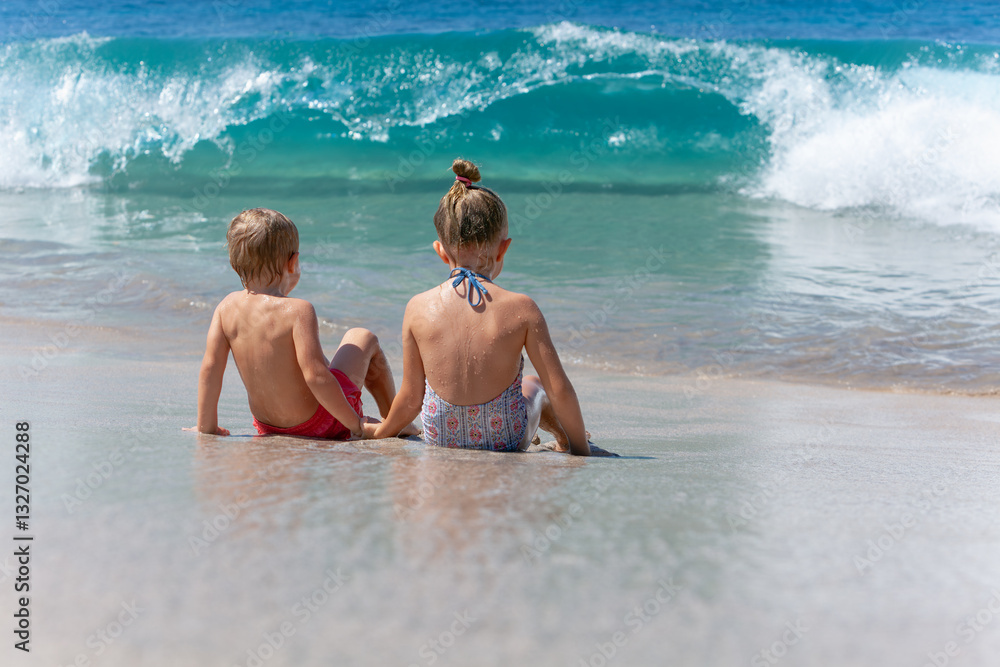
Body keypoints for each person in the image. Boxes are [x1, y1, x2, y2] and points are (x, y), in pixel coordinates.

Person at [369, 159, 614, 456]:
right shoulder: (522, 308)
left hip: (441, 436)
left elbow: (410, 396)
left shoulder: (418, 306)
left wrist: (379, 433)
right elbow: (560, 389)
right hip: (504, 439)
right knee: (536, 385)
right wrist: (582, 454)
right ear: (504, 248)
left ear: (440, 251)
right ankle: (566, 441)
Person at [188, 207, 415, 439]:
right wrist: (355, 424)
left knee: (324, 361)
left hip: (269, 425)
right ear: (293, 261)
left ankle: (388, 420)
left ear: (235, 265)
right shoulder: (298, 310)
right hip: (323, 420)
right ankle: (394, 419)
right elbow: (315, 376)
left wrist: (206, 426)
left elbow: (210, 368)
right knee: (362, 337)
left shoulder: (225, 308)